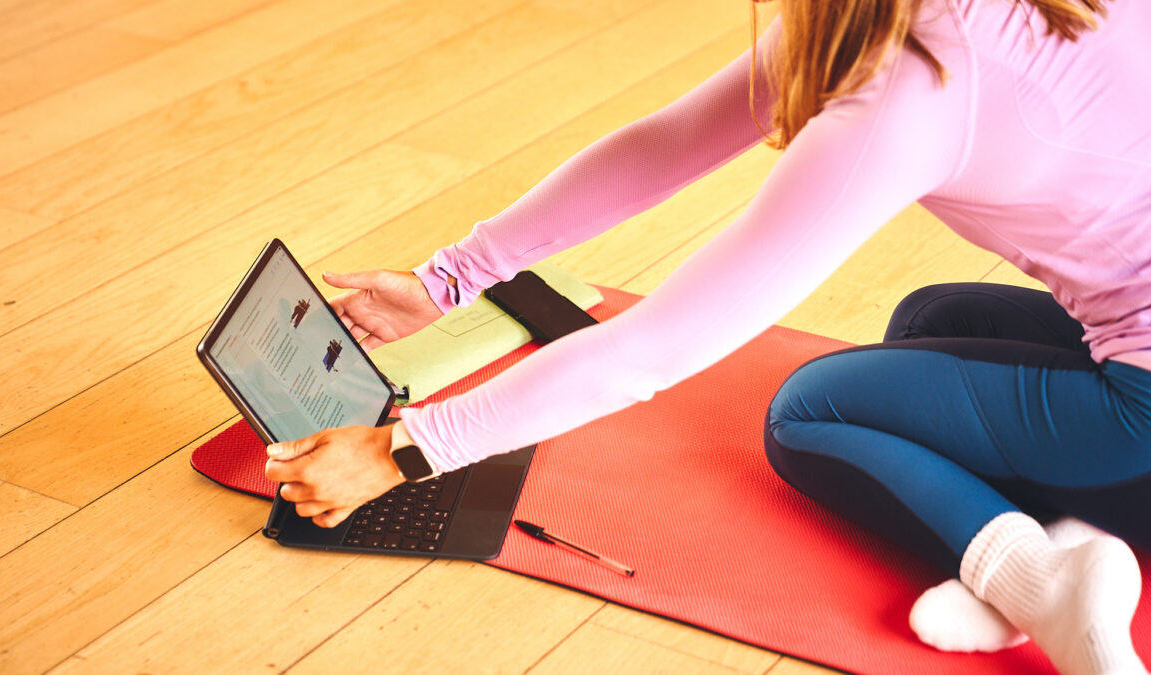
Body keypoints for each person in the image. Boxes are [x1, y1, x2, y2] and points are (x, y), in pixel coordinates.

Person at [263, 0, 1150, 672]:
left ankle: (1049, 582)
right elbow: (674, 141)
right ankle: (1041, 534)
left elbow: (655, 348)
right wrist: (448, 278)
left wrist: (406, 450)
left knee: (810, 411)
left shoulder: (917, 83)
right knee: (931, 324)